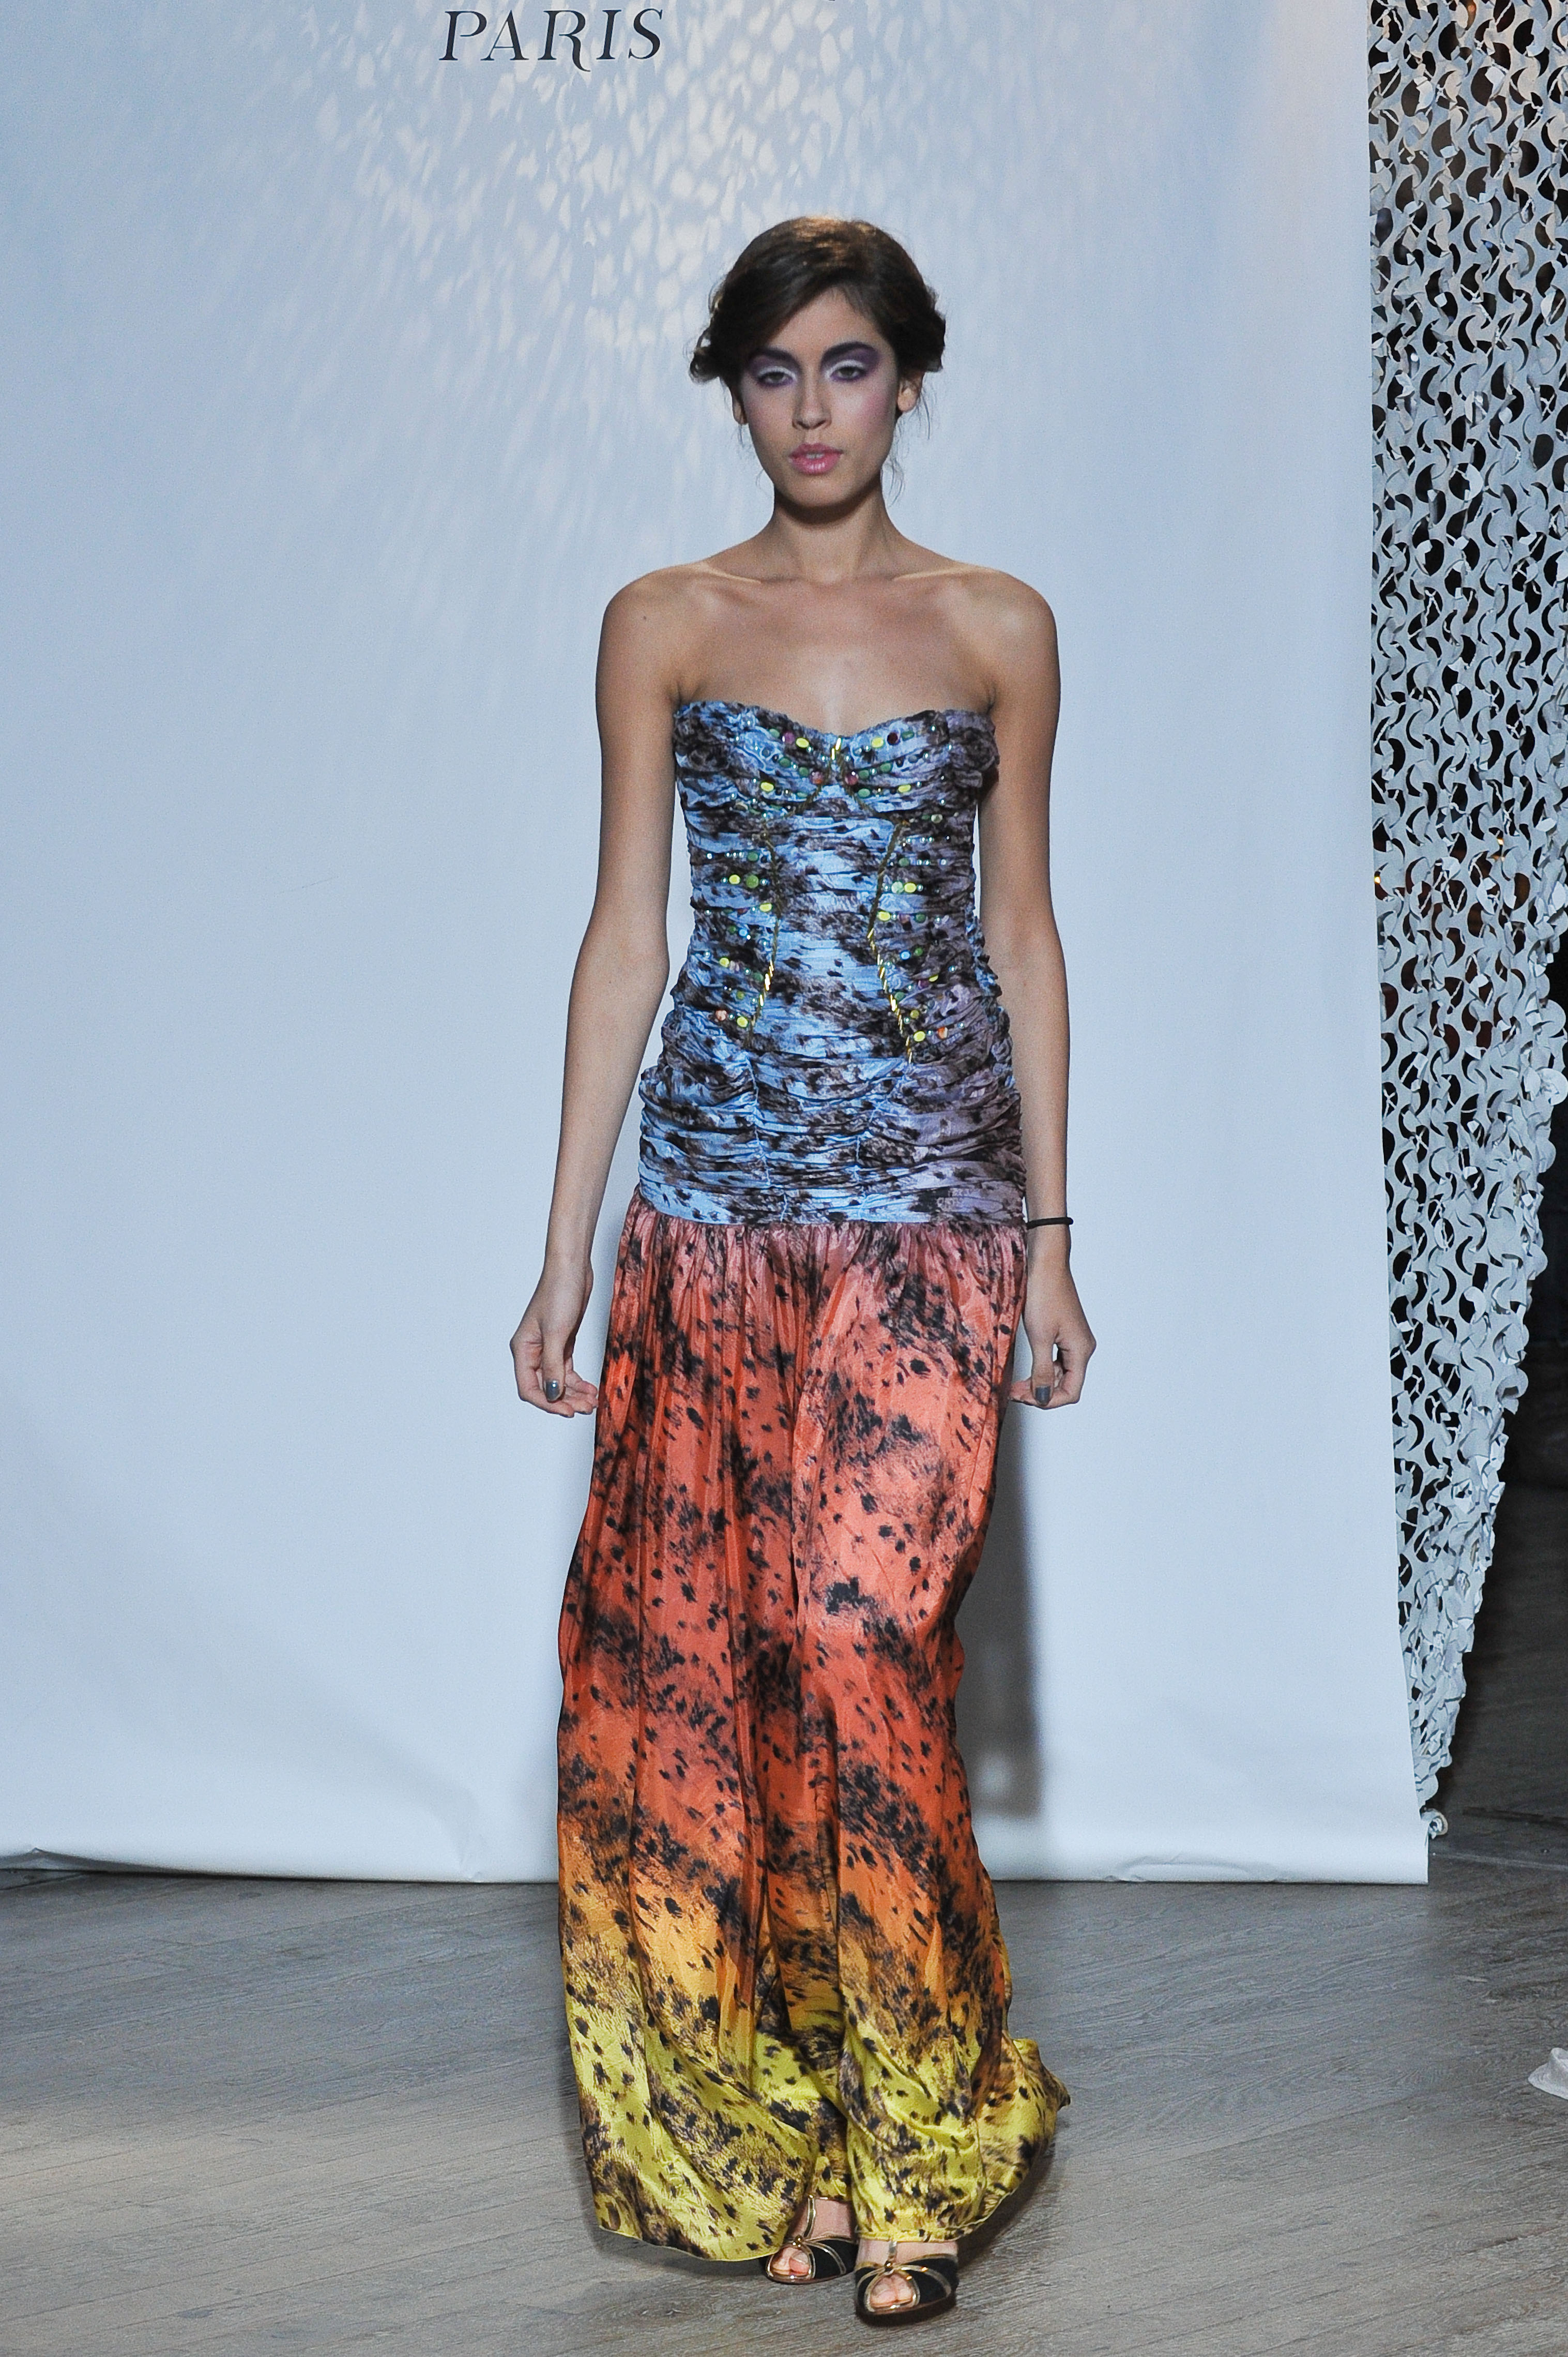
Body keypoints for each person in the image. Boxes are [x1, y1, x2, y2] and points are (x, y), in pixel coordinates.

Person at [511, 215, 1094, 2328]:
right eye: (772, 371)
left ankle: (926, 2134)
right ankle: (787, 2135)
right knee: (719, 1689)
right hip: (712, 1226)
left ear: (907, 381)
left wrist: (1050, 1245)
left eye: (847, 365)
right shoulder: (665, 622)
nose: (812, 408)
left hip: (933, 1218)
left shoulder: (997, 625)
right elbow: (625, 938)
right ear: (736, 395)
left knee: (859, 1642)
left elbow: (1018, 937)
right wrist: (564, 1251)